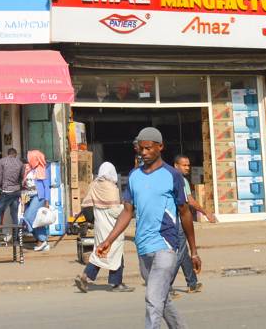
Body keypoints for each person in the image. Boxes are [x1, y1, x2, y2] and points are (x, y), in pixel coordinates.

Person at [96, 127, 197, 329]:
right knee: (161, 297)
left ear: (160, 147)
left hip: (166, 244)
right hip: (143, 246)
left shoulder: (172, 175)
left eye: (148, 148)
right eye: (141, 148)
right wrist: (108, 240)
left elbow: (185, 212)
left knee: (152, 299)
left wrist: (193, 251)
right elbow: (127, 212)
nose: (144, 152)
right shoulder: (134, 176)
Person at [76, 162, 131, 293]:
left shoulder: (94, 185)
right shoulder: (111, 187)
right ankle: (116, 283)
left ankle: (85, 276)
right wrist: (126, 209)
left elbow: (88, 206)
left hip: (100, 226)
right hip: (112, 227)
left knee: (100, 252)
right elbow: (114, 211)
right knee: (116, 253)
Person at [172, 155, 214, 293]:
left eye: (188, 165)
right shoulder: (178, 180)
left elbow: (189, 199)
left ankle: (192, 283)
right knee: (179, 254)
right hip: (177, 222)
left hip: (175, 221)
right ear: (176, 165)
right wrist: (206, 212)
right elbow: (189, 202)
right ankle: (166, 286)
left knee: (183, 253)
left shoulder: (178, 179)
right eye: (184, 165)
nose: (187, 168)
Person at [22, 149, 52, 251]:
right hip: (28, 197)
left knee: (29, 217)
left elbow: (46, 187)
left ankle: (41, 240)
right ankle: (42, 241)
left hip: (39, 197)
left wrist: (47, 202)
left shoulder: (43, 170)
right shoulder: (29, 169)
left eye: (30, 157)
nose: (28, 159)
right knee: (35, 219)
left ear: (35, 158)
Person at [0, 147, 24, 244]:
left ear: (8, 154)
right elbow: (22, 177)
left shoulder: (2, 161)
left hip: (6, 192)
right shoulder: (20, 163)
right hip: (16, 191)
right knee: (14, 214)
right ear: (15, 154)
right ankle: (16, 238)